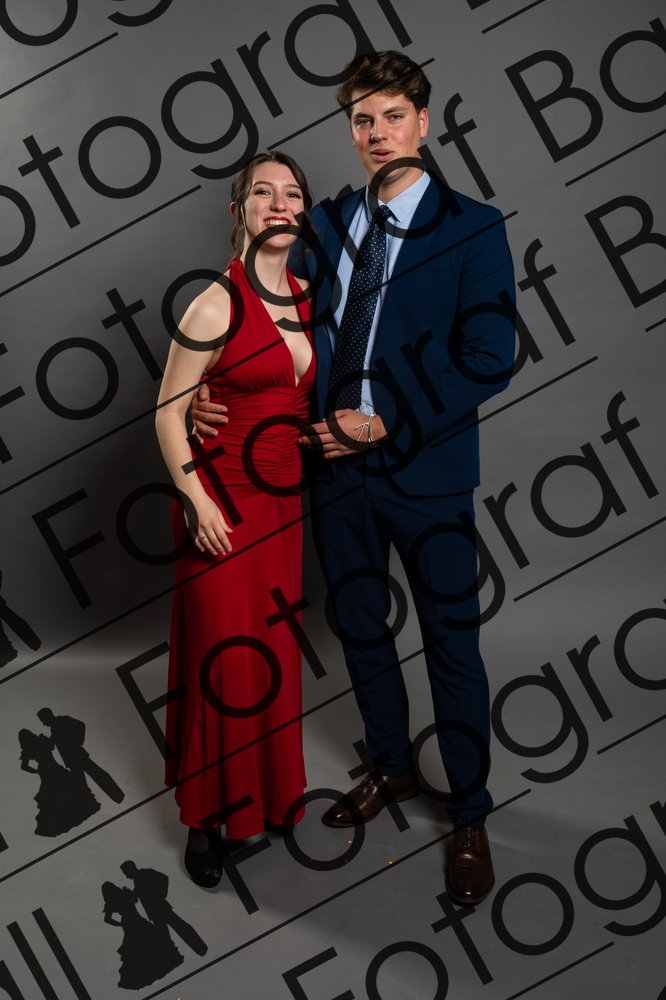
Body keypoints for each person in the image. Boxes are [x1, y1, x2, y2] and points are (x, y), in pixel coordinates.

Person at [193, 51, 515, 905]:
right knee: (363, 630)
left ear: (424, 122)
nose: (377, 133)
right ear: (350, 130)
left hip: (426, 473)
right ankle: (391, 767)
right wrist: (204, 390)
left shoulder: (474, 227)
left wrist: (387, 419)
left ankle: (471, 811)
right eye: (362, 119)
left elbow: (490, 356)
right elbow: (260, 301)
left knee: (451, 643)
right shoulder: (331, 221)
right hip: (332, 471)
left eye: (392, 115)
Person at [155, 151, 316, 887]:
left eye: (292, 194)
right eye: (262, 193)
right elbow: (167, 413)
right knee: (223, 661)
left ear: (303, 212)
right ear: (239, 211)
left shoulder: (310, 297)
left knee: (270, 654)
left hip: (283, 506)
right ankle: (203, 819)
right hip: (221, 504)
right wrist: (197, 500)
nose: (278, 204)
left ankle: (267, 798)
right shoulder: (215, 303)